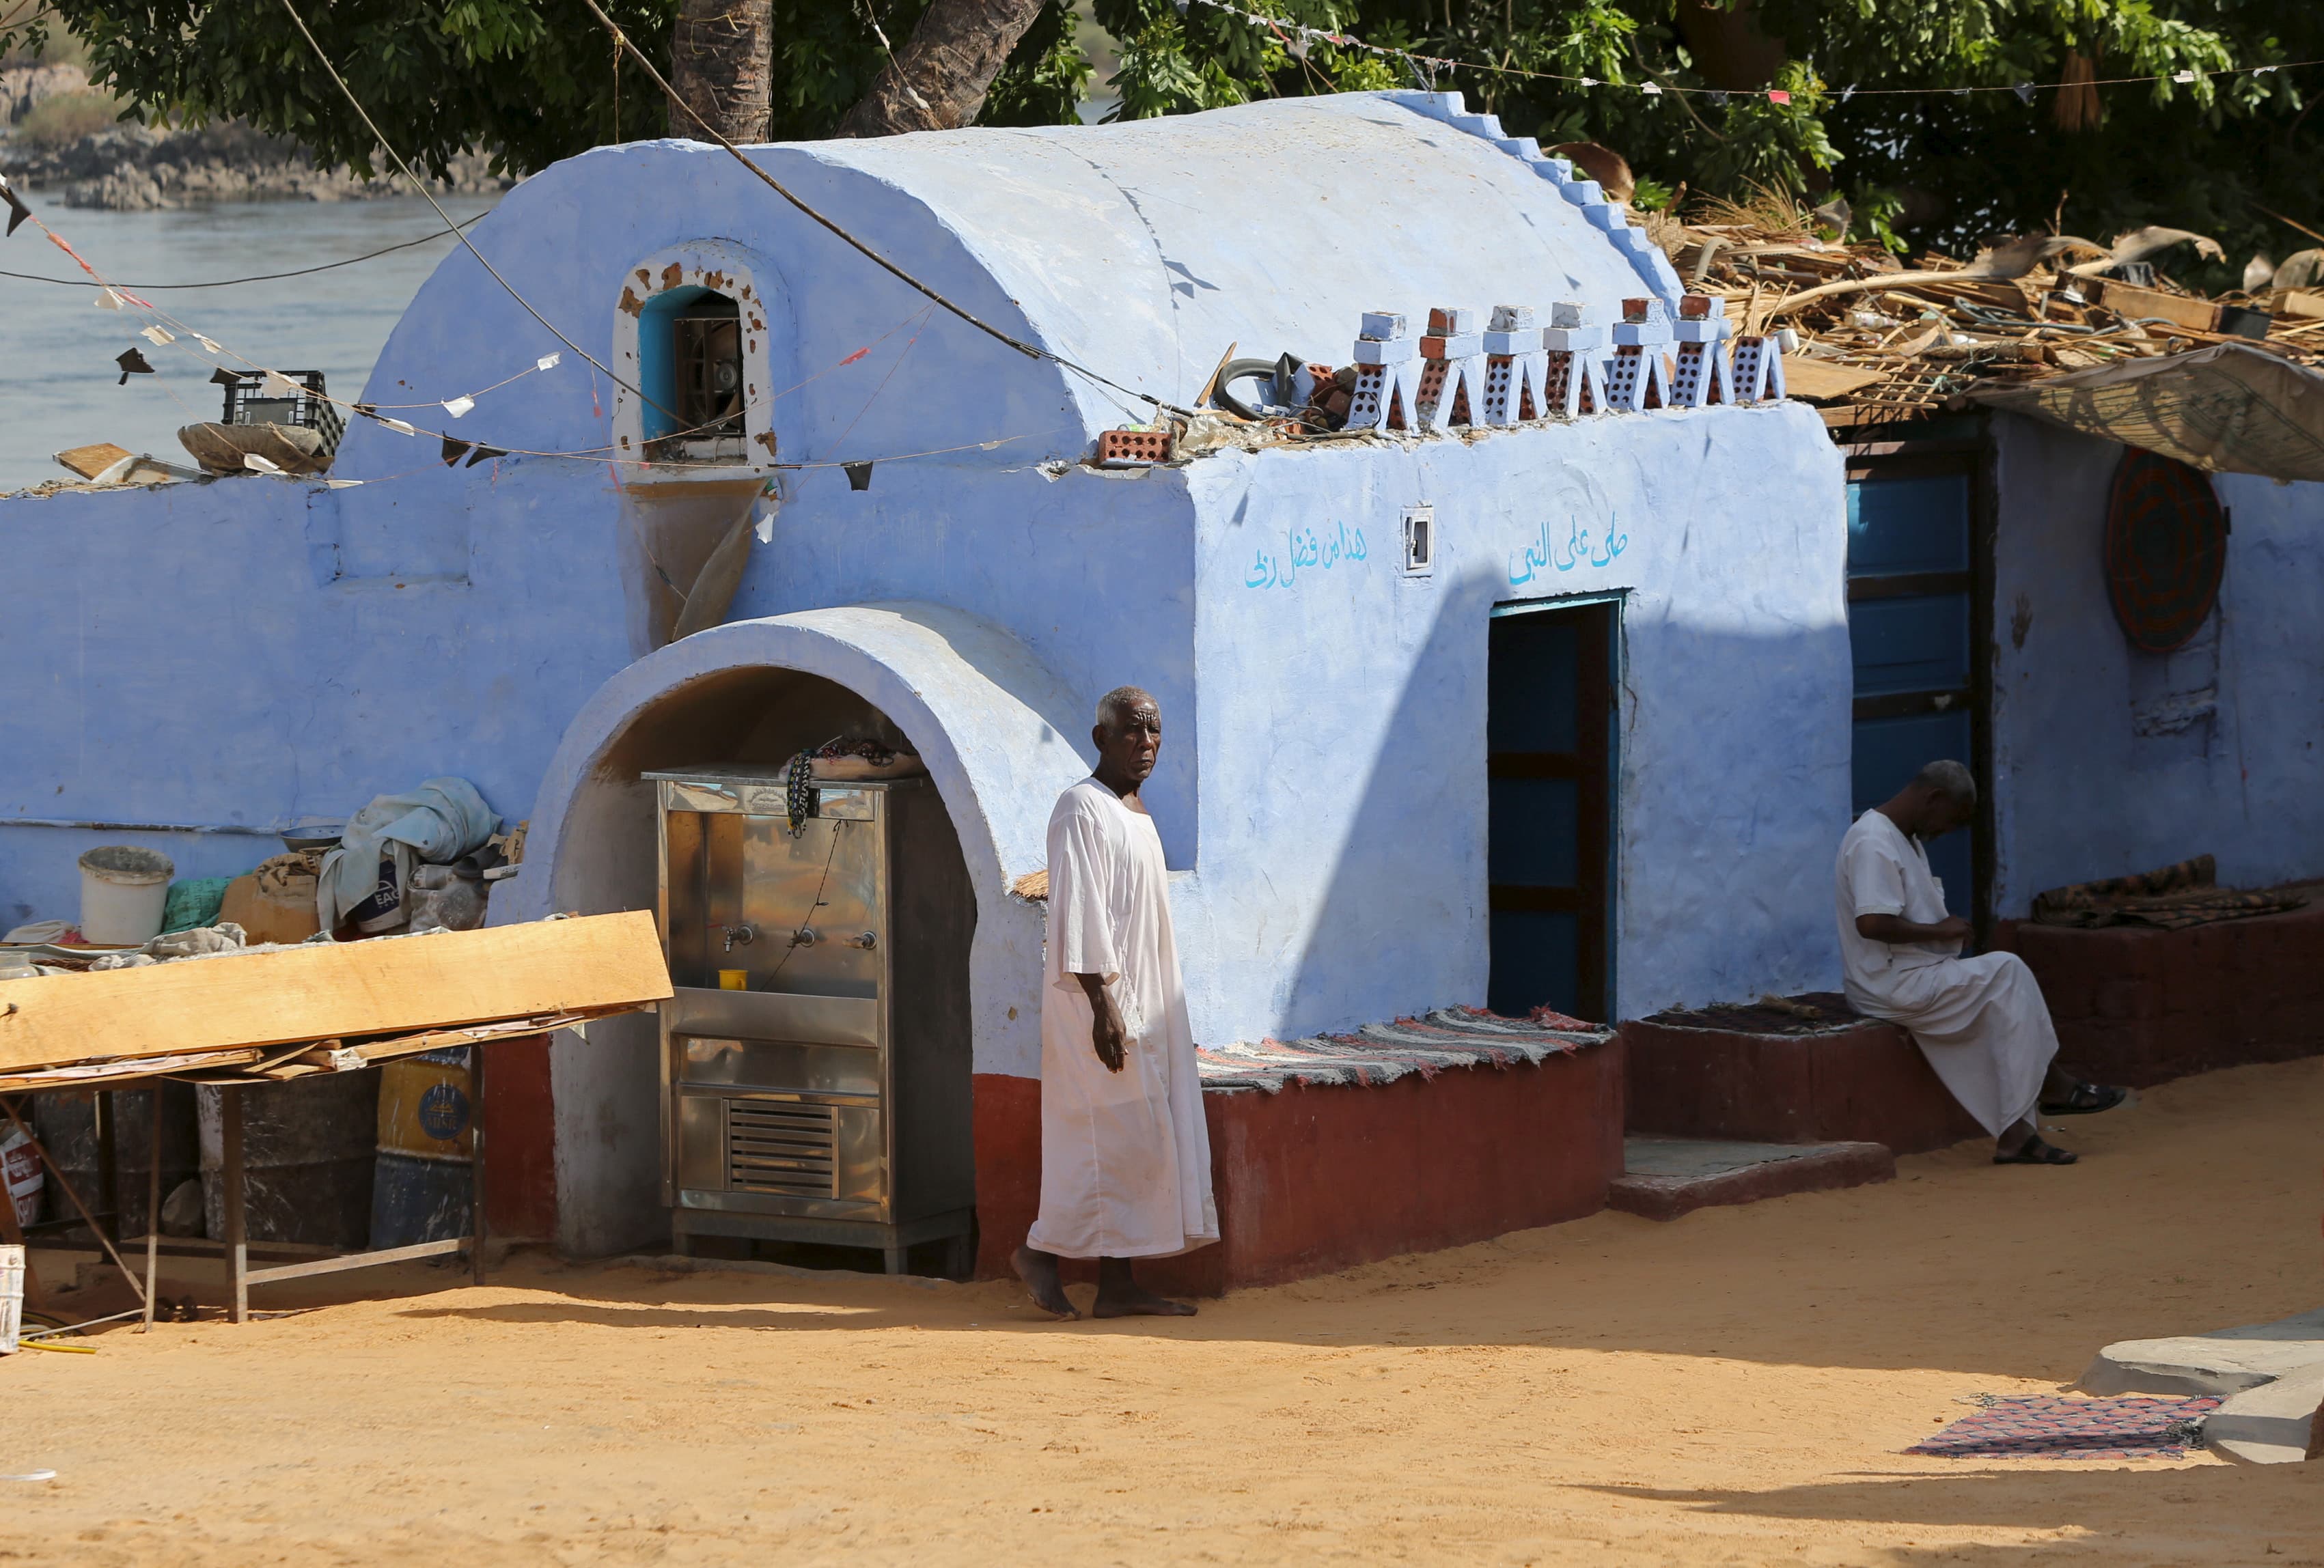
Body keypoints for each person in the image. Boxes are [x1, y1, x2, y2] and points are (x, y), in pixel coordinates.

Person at [1012, 686, 1219, 1319]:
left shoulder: (1136, 812)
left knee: (1135, 1140)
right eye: (1133, 731)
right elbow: (1078, 908)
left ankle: (1118, 1284)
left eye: (1155, 731)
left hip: (1146, 1001)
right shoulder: (1082, 809)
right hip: (1096, 1003)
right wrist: (1102, 1001)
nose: (1147, 743)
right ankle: (1040, 1253)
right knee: (1101, 1137)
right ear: (1102, 738)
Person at [1836, 761, 2125, 1166]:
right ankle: (2052, 1090)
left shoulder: (1905, 839)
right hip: (1889, 983)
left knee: (2009, 996)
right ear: (1933, 799)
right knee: (2008, 972)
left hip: (1913, 975)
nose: (1948, 830)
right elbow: (1872, 923)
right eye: (1950, 819)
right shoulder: (1873, 841)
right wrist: (1942, 931)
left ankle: (2019, 1133)